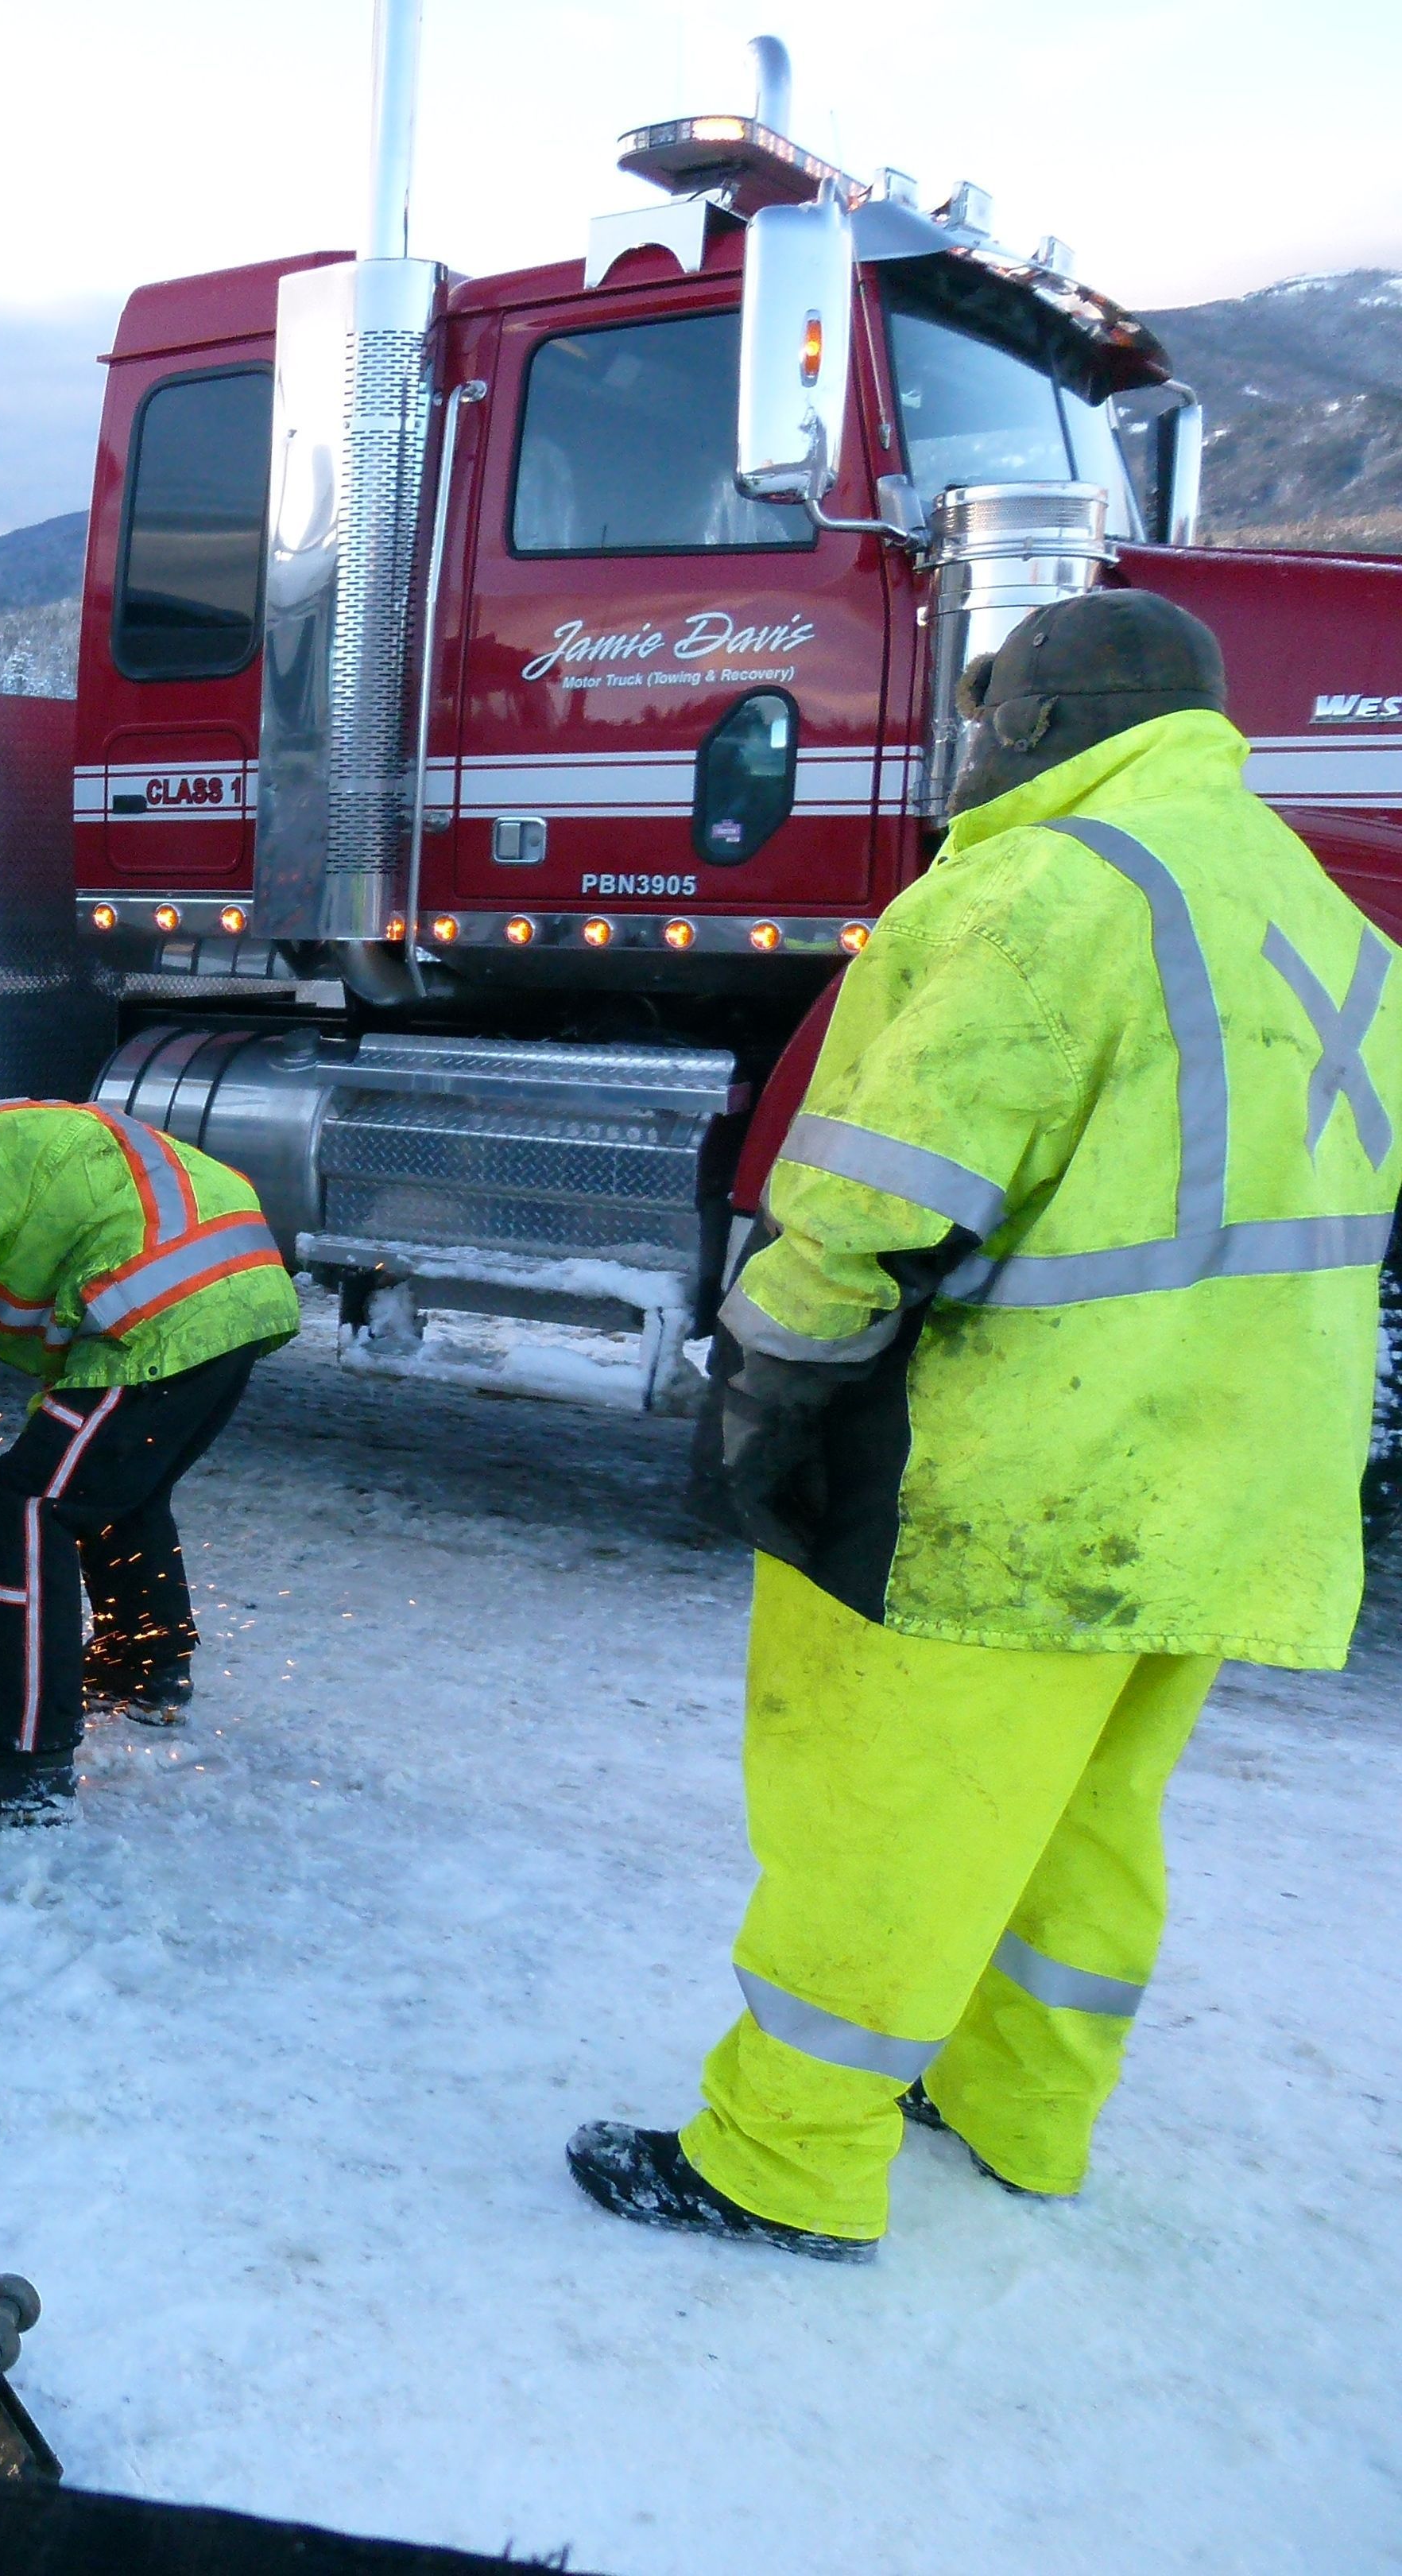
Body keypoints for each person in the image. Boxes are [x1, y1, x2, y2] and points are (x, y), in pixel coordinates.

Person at [573, 591, 1401, 2260]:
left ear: (1026, 725)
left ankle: (785, 2160)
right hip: (1240, 1477)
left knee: (886, 1805)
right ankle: (1024, 2111)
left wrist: (768, 1382)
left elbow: (882, 1194)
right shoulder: (1321, 914)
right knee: (1085, 1813)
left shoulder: (1046, 886)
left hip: (1019, 1471)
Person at [0, 1097, 299, 1824]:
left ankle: (18, 1763)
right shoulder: (27, 1132)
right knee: (110, 1490)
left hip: (160, 1308)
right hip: (237, 1290)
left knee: (30, 1504)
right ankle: (146, 1670)